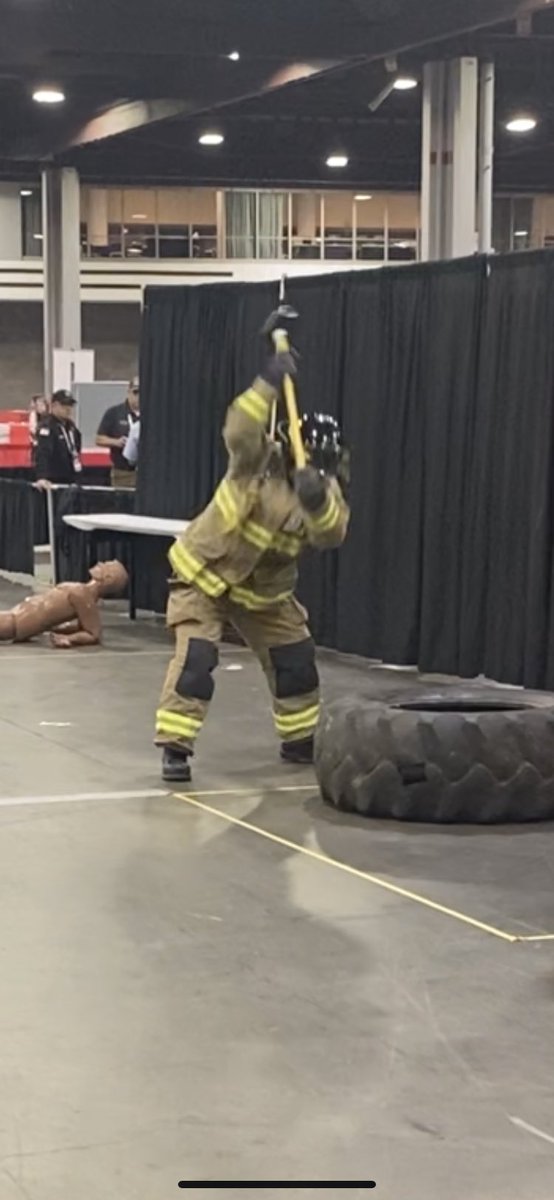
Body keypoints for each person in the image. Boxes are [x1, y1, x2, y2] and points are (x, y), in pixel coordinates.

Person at [155, 351, 350, 783]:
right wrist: (267, 380)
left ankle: (300, 739)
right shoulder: (254, 459)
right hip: (203, 578)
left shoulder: (324, 487)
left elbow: (331, 534)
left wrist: (316, 499)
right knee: (197, 660)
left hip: (264, 594)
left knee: (295, 660)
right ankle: (176, 747)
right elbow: (239, 426)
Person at [0, 561, 128, 648]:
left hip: (16, 622)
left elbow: (93, 634)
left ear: (109, 579)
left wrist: (70, 638)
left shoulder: (85, 597)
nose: (100, 563)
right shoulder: (82, 592)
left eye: (106, 565)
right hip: (15, 617)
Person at [96, 376, 140, 489]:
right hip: (122, 471)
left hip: (146, 472)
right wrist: (116, 442)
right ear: (128, 392)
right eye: (136, 392)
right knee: (122, 503)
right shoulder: (114, 413)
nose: (139, 397)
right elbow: (99, 439)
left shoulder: (152, 413)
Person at [35, 389, 82, 487]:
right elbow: (42, 453)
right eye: (64, 405)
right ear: (54, 405)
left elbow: (76, 447)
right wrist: (42, 477)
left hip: (71, 477)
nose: (68, 409)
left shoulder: (71, 426)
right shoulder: (47, 426)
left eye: (70, 405)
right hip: (53, 480)